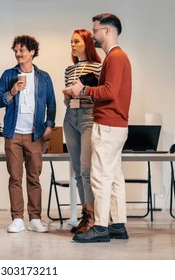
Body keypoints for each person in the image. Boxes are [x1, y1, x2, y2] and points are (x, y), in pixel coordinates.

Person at [64, 13, 132, 243]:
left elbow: (110, 92)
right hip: (117, 124)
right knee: (114, 177)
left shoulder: (114, 58)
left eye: (96, 30)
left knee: (100, 177)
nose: (94, 35)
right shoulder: (117, 58)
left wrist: (82, 91)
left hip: (108, 124)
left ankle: (101, 227)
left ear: (108, 31)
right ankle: (118, 225)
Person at [0, 35, 56, 233]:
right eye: (16, 50)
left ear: (32, 52)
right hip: (13, 134)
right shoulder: (8, 75)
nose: (18, 53)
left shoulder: (44, 77)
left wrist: (49, 125)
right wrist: (12, 92)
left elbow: (51, 104)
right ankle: (18, 218)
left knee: (34, 177)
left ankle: (35, 218)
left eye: (22, 50)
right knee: (14, 177)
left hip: (35, 134)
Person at [61, 29, 102, 234]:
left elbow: (100, 95)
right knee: (77, 172)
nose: (73, 45)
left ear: (87, 43)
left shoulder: (98, 67)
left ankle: (92, 216)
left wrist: (82, 91)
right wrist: (68, 96)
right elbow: (67, 97)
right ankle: (85, 215)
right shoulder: (69, 69)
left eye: (76, 41)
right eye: (71, 42)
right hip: (70, 118)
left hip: (88, 117)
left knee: (87, 171)